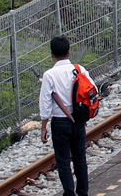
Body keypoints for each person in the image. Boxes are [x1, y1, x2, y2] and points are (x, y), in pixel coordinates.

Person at [38, 36, 91, 196]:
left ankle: (69, 192)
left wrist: (43, 127)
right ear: (69, 52)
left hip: (60, 122)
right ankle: (83, 192)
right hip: (78, 120)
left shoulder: (49, 75)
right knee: (80, 159)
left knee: (63, 161)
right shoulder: (79, 69)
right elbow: (91, 89)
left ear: (52, 55)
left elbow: (45, 104)